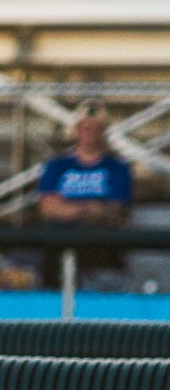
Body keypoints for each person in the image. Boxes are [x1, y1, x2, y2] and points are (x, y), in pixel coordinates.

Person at [37, 99, 133, 287]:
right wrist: (90, 208)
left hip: (100, 247)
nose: (90, 133)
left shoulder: (117, 168)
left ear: (103, 131)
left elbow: (116, 211)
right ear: (77, 130)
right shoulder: (57, 165)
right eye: (85, 127)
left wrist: (69, 209)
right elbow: (48, 209)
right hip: (60, 246)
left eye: (96, 128)